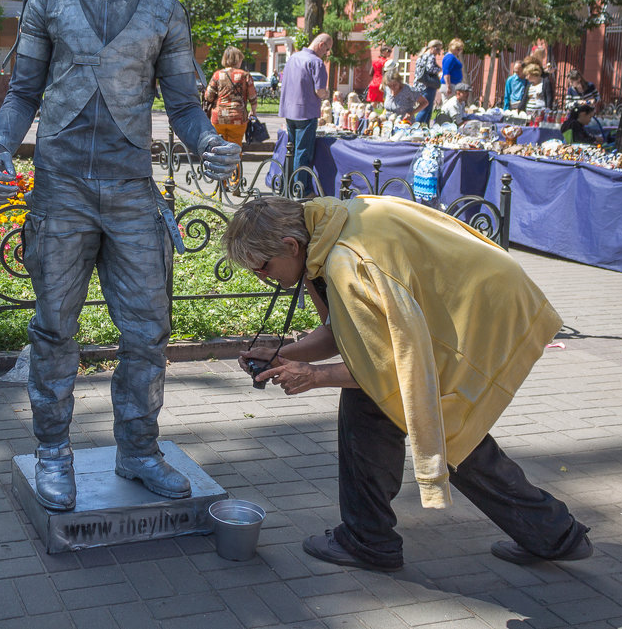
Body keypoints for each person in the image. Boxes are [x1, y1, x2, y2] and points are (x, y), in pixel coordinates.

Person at [0, 0, 240, 511]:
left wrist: (209, 141)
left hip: (130, 189)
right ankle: (52, 450)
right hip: (62, 187)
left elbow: (183, 104)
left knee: (148, 330)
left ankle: (139, 448)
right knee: (54, 328)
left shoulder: (162, 8)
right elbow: (22, 92)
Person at [225, 195, 593, 572]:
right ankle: (552, 535)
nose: (262, 278)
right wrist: (288, 354)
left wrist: (315, 376)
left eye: (262, 267)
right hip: (466, 301)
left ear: (290, 246)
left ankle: (369, 539)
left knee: (441, 428)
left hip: (483, 312)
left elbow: (390, 368)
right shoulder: (326, 227)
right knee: (399, 413)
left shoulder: (345, 263)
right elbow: (344, 333)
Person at [280, 33, 332, 195]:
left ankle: (288, 186)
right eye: (327, 49)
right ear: (321, 44)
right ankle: (301, 189)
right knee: (303, 153)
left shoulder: (293, 58)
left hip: (290, 112)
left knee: (292, 151)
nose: (327, 53)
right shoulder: (316, 62)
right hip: (307, 113)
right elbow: (320, 91)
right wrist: (327, 94)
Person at [203, 45, 258, 147]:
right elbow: (253, 97)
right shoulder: (245, 75)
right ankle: (234, 163)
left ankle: (218, 163)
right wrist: (253, 111)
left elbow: (208, 96)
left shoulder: (217, 75)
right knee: (234, 149)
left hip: (218, 118)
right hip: (238, 118)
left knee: (218, 148)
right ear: (237, 60)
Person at [411, 39, 443, 124]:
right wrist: (440, 69)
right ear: (432, 47)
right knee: (426, 107)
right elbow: (430, 69)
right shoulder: (430, 56)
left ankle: (423, 126)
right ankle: (417, 125)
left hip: (420, 85)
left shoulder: (422, 56)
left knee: (424, 106)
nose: (438, 52)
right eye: (438, 49)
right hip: (428, 85)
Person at [441, 38, 465, 106]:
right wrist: (448, 87)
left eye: (460, 49)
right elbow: (446, 73)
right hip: (450, 85)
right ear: (453, 47)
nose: (459, 51)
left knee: (455, 105)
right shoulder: (450, 57)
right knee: (449, 106)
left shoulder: (453, 57)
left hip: (454, 84)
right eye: (458, 49)